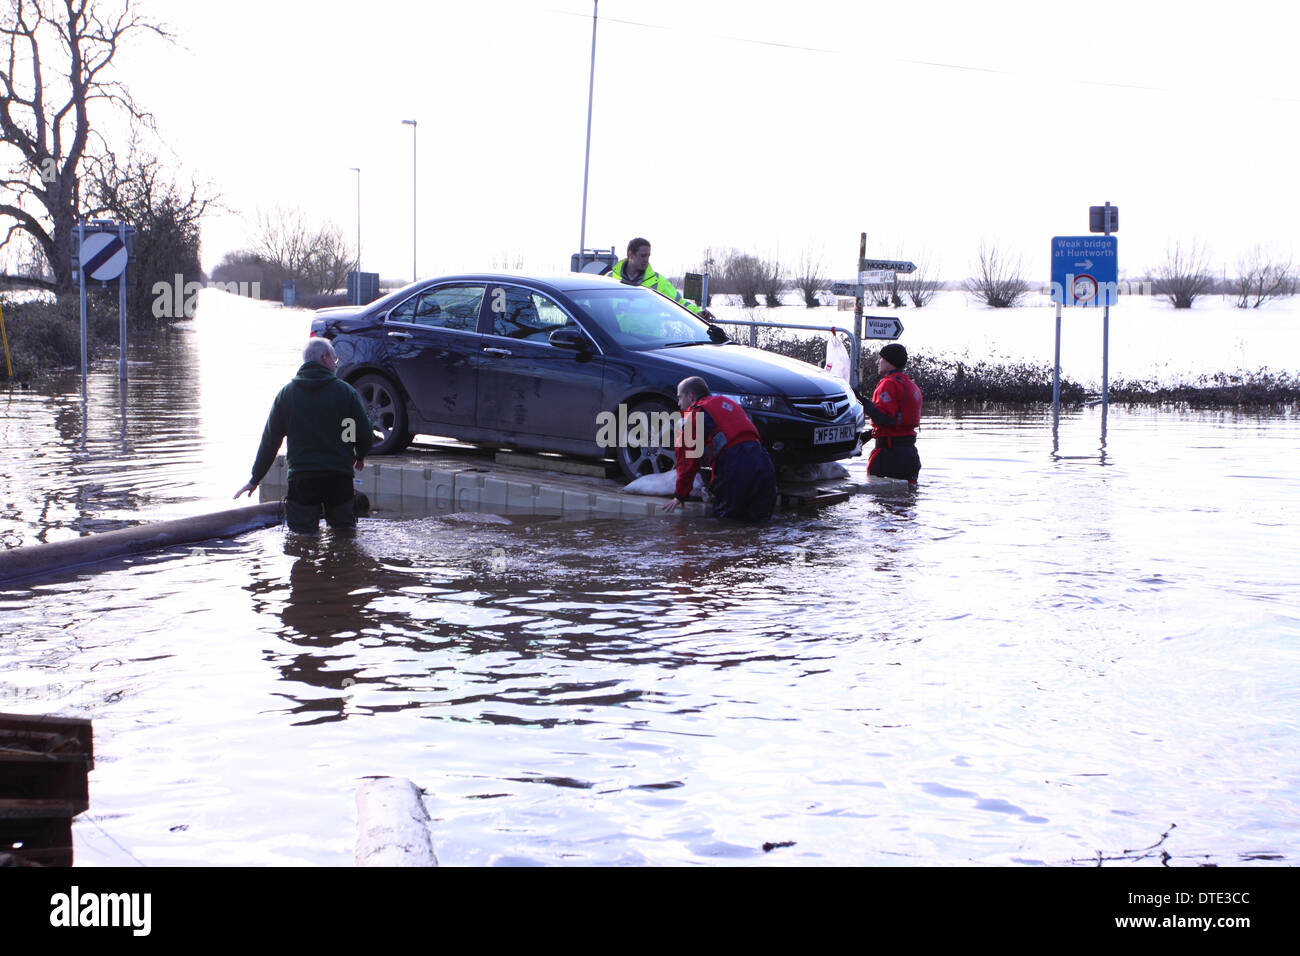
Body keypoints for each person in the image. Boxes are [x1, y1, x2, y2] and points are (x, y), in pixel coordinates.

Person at [235, 337, 373, 532]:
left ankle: (305, 562)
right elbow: (361, 432)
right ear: (324, 358)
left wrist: (255, 479)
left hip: (302, 480)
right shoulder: (345, 393)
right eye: (334, 359)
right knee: (344, 536)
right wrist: (359, 453)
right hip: (338, 479)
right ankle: (344, 562)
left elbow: (270, 441)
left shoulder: (287, 395)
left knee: (302, 540)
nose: (336, 364)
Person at [664, 376, 777, 522]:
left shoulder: (693, 416)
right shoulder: (729, 404)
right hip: (764, 463)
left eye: (680, 397)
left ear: (690, 396)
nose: (679, 404)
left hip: (735, 468)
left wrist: (679, 496)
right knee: (760, 524)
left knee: (726, 525)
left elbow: (686, 462)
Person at [859, 342, 922, 486]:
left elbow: (884, 419)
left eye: (880, 358)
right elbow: (895, 423)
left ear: (889, 361)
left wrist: (861, 401)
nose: (877, 362)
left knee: (881, 503)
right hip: (910, 456)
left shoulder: (887, 384)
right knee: (906, 500)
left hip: (888, 456)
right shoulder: (911, 385)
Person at [611, 237, 714, 319]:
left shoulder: (658, 281)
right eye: (643, 256)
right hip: (615, 341)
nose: (646, 260)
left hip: (651, 342)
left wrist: (698, 312)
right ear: (630, 255)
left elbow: (679, 303)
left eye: (648, 256)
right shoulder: (609, 279)